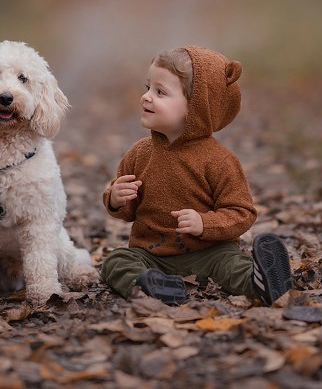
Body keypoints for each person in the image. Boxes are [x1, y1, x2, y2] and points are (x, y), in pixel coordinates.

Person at [100, 45, 293, 305]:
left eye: (160, 92)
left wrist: (205, 224)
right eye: (147, 88)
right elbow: (128, 213)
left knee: (233, 264)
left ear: (195, 108)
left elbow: (242, 212)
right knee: (116, 261)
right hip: (151, 254)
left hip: (209, 252)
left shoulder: (219, 161)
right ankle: (150, 285)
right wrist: (116, 199)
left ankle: (261, 282)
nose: (146, 97)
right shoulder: (139, 153)